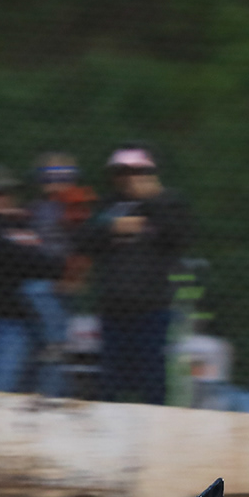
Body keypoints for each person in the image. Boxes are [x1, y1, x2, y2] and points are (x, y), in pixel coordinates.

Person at [78, 145, 191, 404]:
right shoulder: (109, 205)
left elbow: (180, 237)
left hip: (152, 306)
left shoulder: (168, 202)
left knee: (151, 375)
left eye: (136, 172)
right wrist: (112, 228)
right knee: (111, 377)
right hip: (113, 306)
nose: (128, 178)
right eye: (121, 172)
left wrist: (152, 201)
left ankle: (156, 421)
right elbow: (83, 239)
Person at [0, 166, 64, 393]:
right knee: (2, 384)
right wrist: (50, 266)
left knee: (38, 385)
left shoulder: (20, 221)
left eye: (2, 192)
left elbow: (45, 254)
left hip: (39, 317)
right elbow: (10, 256)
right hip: (6, 317)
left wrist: (42, 263)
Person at [21, 152, 97, 396]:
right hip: (36, 279)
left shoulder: (75, 205)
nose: (56, 183)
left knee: (54, 342)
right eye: (49, 177)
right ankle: (39, 389)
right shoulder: (34, 208)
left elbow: (85, 247)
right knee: (40, 343)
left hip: (59, 283)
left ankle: (51, 393)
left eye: (64, 177)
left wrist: (75, 278)